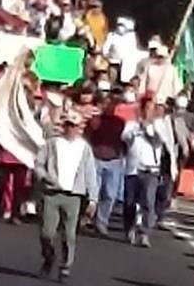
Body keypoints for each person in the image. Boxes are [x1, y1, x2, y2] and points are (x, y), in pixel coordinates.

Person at [34, 111, 99, 283]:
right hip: (52, 193)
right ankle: (49, 258)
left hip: (73, 196)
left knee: (69, 234)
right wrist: (45, 177)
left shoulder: (84, 148)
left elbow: (90, 173)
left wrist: (93, 199)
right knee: (46, 233)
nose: (70, 129)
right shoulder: (52, 143)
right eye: (68, 125)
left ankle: (66, 267)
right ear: (63, 126)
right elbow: (38, 164)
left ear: (79, 128)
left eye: (74, 126)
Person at [122, 98, 163, 247]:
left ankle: (144, 233)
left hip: (150, 170)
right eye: (146, 108)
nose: (148, 112)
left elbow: (159, 141)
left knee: (148, 203)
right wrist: (137, 129)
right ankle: (129, 228)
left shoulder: (160, 126)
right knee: (129, 202)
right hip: (132, 169)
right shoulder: (131, 125)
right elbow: (125, 139)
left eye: (152, 109)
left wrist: (148, 129)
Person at [86, 85, 126, 236]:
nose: (111, 107)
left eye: (114, 104)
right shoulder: (96, 121)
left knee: (110, 194)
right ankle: (89, 217)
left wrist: (121, 156)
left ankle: (102, 222)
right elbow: (88, 137)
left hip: (114, 161)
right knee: (93, 192)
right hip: (96, 159)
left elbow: (125, 141)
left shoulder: (120, 123)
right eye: (108, 103)